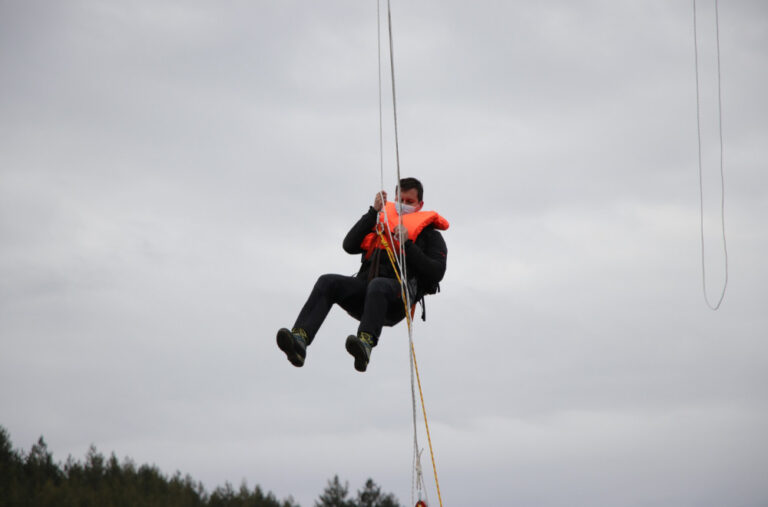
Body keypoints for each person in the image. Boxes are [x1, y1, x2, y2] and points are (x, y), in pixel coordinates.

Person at [276, 177, 448, 372]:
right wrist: (373, 212)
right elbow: (349, 245)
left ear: (420, 204)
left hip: (396, 300)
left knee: (379, 286)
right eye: (401, 200)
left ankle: (365, 344)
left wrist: (408, 244)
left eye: (410, 202)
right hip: (366, 296)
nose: (404, 205)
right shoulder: (380, 222)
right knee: (327, 281)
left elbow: (436, 272)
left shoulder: (430, 235)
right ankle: (300, 339)